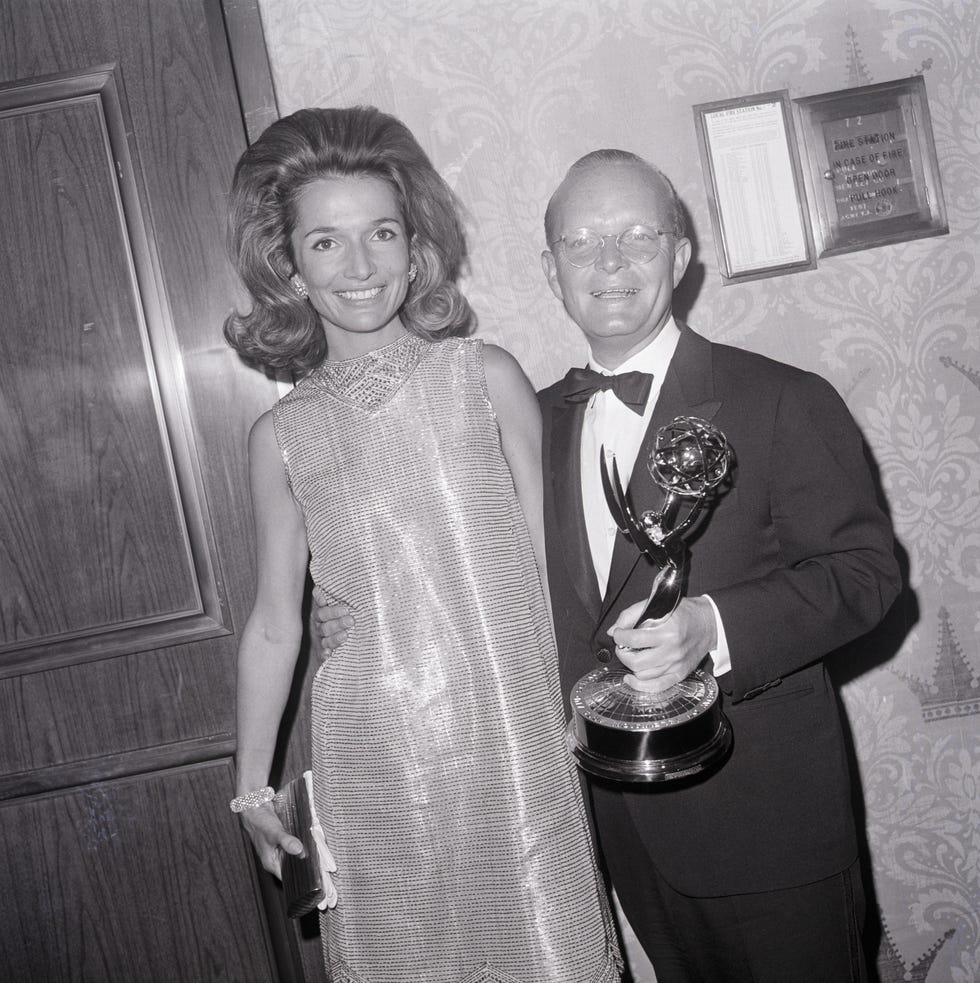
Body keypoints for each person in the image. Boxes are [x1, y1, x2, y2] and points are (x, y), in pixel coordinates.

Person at [316, 148, 901, 983]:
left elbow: (867, 572)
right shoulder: (526, 422)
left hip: (769, 829)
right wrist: (347, 613)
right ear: (551, 271)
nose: (612, 262)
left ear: (681, 253)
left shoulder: (781, 399)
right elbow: (456, 572)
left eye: (637, 235)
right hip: (613, 827)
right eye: (583, 243)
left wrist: (715, 626)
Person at [224, 107, 621, 983]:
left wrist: (582, 702)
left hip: (518, 741)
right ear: (288, 264)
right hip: (374, 752)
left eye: (382, 233)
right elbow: (273, 624)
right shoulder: (281, 433)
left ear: (416, 248)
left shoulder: (485, 377)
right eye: (326, 243)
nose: (360, 266)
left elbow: (566, 570)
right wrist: (253, 785)